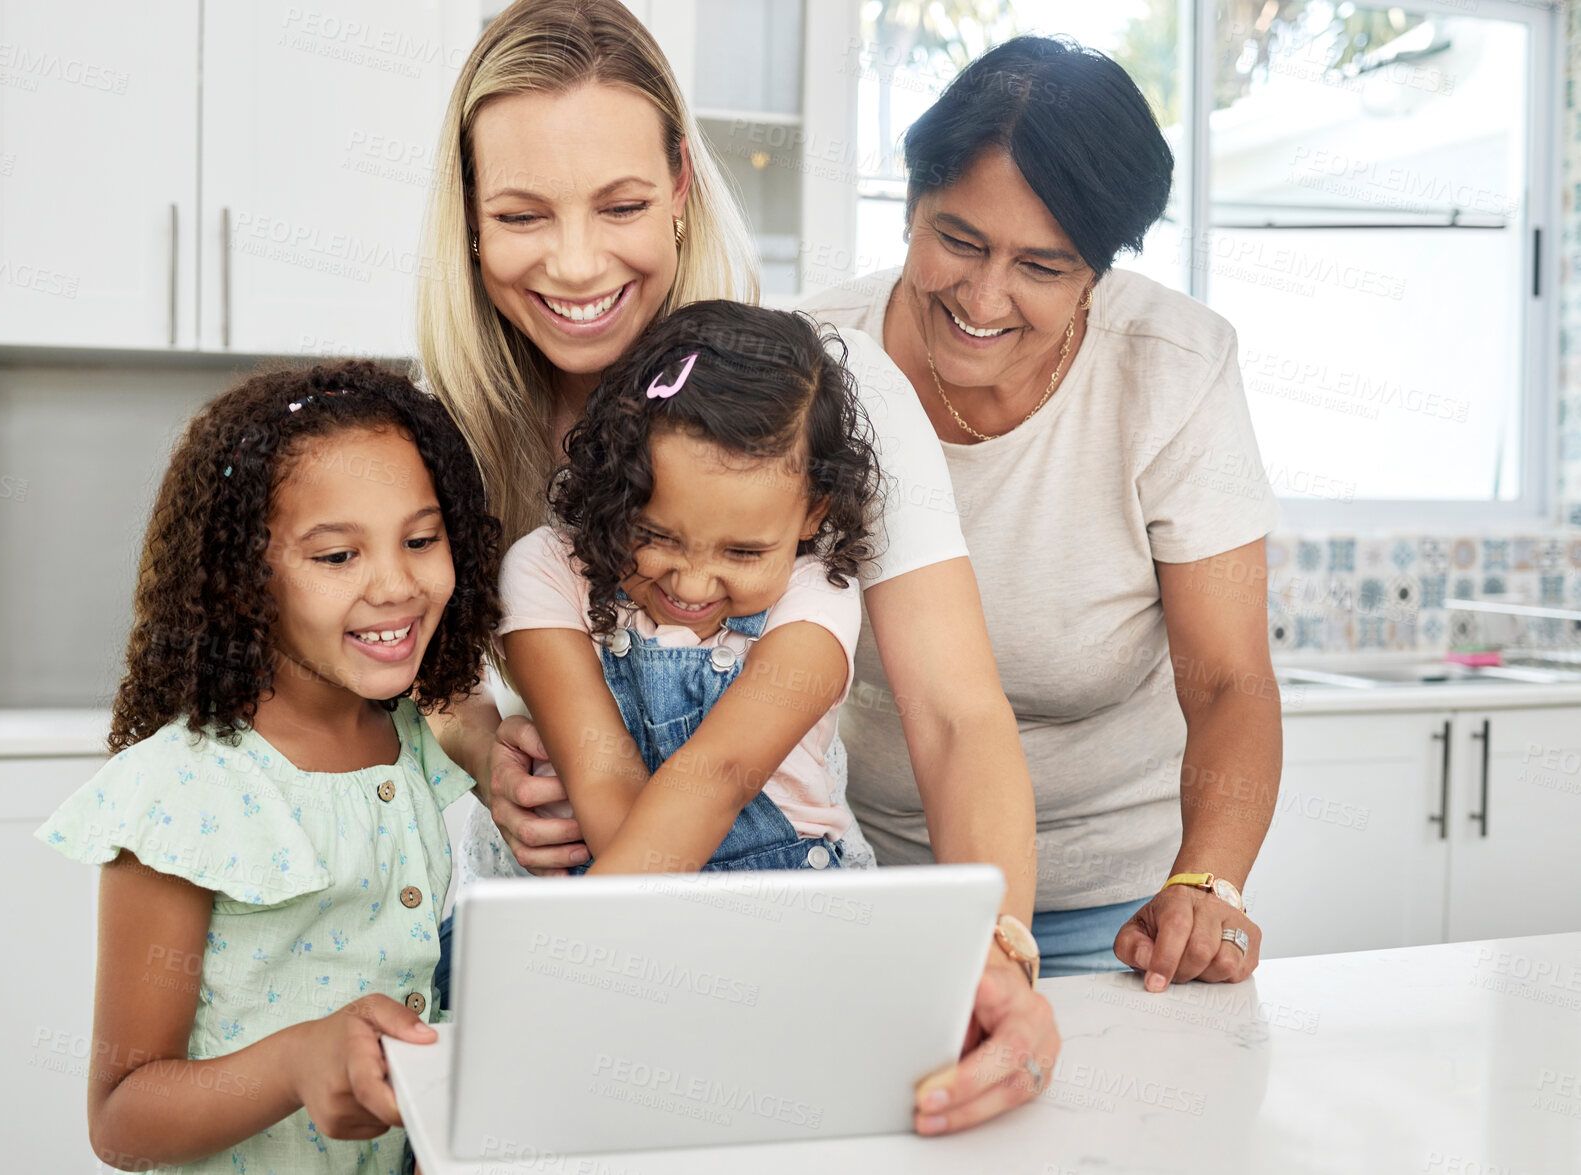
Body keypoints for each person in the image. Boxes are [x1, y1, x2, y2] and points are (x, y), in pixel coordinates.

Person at [416, 0, 1057, 1134]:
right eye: (521, 213)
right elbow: (385, 678)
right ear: (468, 219)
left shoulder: (822, 398)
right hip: (547, 931)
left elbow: (957, 714)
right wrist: (476, 741)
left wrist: (999, 950)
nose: (574, 262)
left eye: (619, 204)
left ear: (679, 182)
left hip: (758, 937)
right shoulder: (445, 432)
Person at [799, 36, 1283, 991]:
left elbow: (1229, 679)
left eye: (1043, 267)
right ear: (908, 206)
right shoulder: (810, 366)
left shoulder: (1172, 369)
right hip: (868, 886)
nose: (983, 298)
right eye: (958, 240)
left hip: (1119, 916)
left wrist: (1205, 881)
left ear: (1099, 270)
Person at [35, 360, 503, 1173]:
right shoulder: (182, 793)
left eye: (421, 540)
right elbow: (120, 1119)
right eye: (335, 557)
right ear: (243, 579)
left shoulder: (407, 740)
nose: (395, 584)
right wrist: (297, 1061)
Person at [496, 300, 879, 878]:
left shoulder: (817, 593)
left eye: (744, 552)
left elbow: (720, 772)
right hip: (619, 874)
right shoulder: (547, 570)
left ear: (812, 514)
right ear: (612, 486)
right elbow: (600, 775)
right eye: (655, 537)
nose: (692, 584)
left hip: (784, 903)